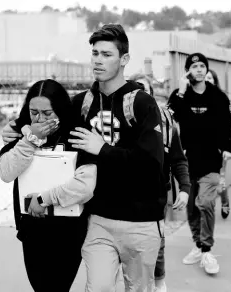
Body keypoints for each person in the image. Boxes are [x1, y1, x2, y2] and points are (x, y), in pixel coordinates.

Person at [66, 24, 166, 291]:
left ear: (124, 60)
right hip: (98, 220)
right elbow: (53, 138)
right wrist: (22, 131)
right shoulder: (80, 103)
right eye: (95, 53)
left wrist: (103, 149)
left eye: (106, 54)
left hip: (142, 223)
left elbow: (152, 165)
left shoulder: (142, 103)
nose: (98, 59)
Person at [0, 79, 97, 292]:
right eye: (34, 112)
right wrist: (30, 140)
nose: (40, 119)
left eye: (48, 113)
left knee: (58, 287)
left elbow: (86, 185)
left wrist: (45, 199)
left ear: (60, 110)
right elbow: (6, 172)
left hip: (69, 230)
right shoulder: (19, 130)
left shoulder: (77, 132)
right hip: (32, 228)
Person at [168, 53, 231, 275]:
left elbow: (229, 124)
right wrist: (181, 89)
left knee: (205, 202)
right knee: (191, 207)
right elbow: (171, 115)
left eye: (202, 66)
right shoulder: (181, 95)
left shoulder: (218, 96)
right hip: (187, 160)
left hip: (211, 159)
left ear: (206, 70)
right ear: (188, 71)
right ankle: (198, 244)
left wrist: (227, 148)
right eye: (194, 66)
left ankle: (207, 249)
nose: (198, 69)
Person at [129, 73, 190, 292]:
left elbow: (178, 159)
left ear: (152, 96)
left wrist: (184, 189)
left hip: (155, 192)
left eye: (145, 90)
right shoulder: (122, 122)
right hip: (125, 192)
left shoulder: (166, 122)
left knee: (157, 239)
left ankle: (159, 281)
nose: (140, 94)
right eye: (136, 90)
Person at [205, 69, 231, 217]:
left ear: (214, 80)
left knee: (219, 178)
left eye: (209, 77)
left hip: (219, 146)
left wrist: (228, 147)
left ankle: (224, 201)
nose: (206, 80)